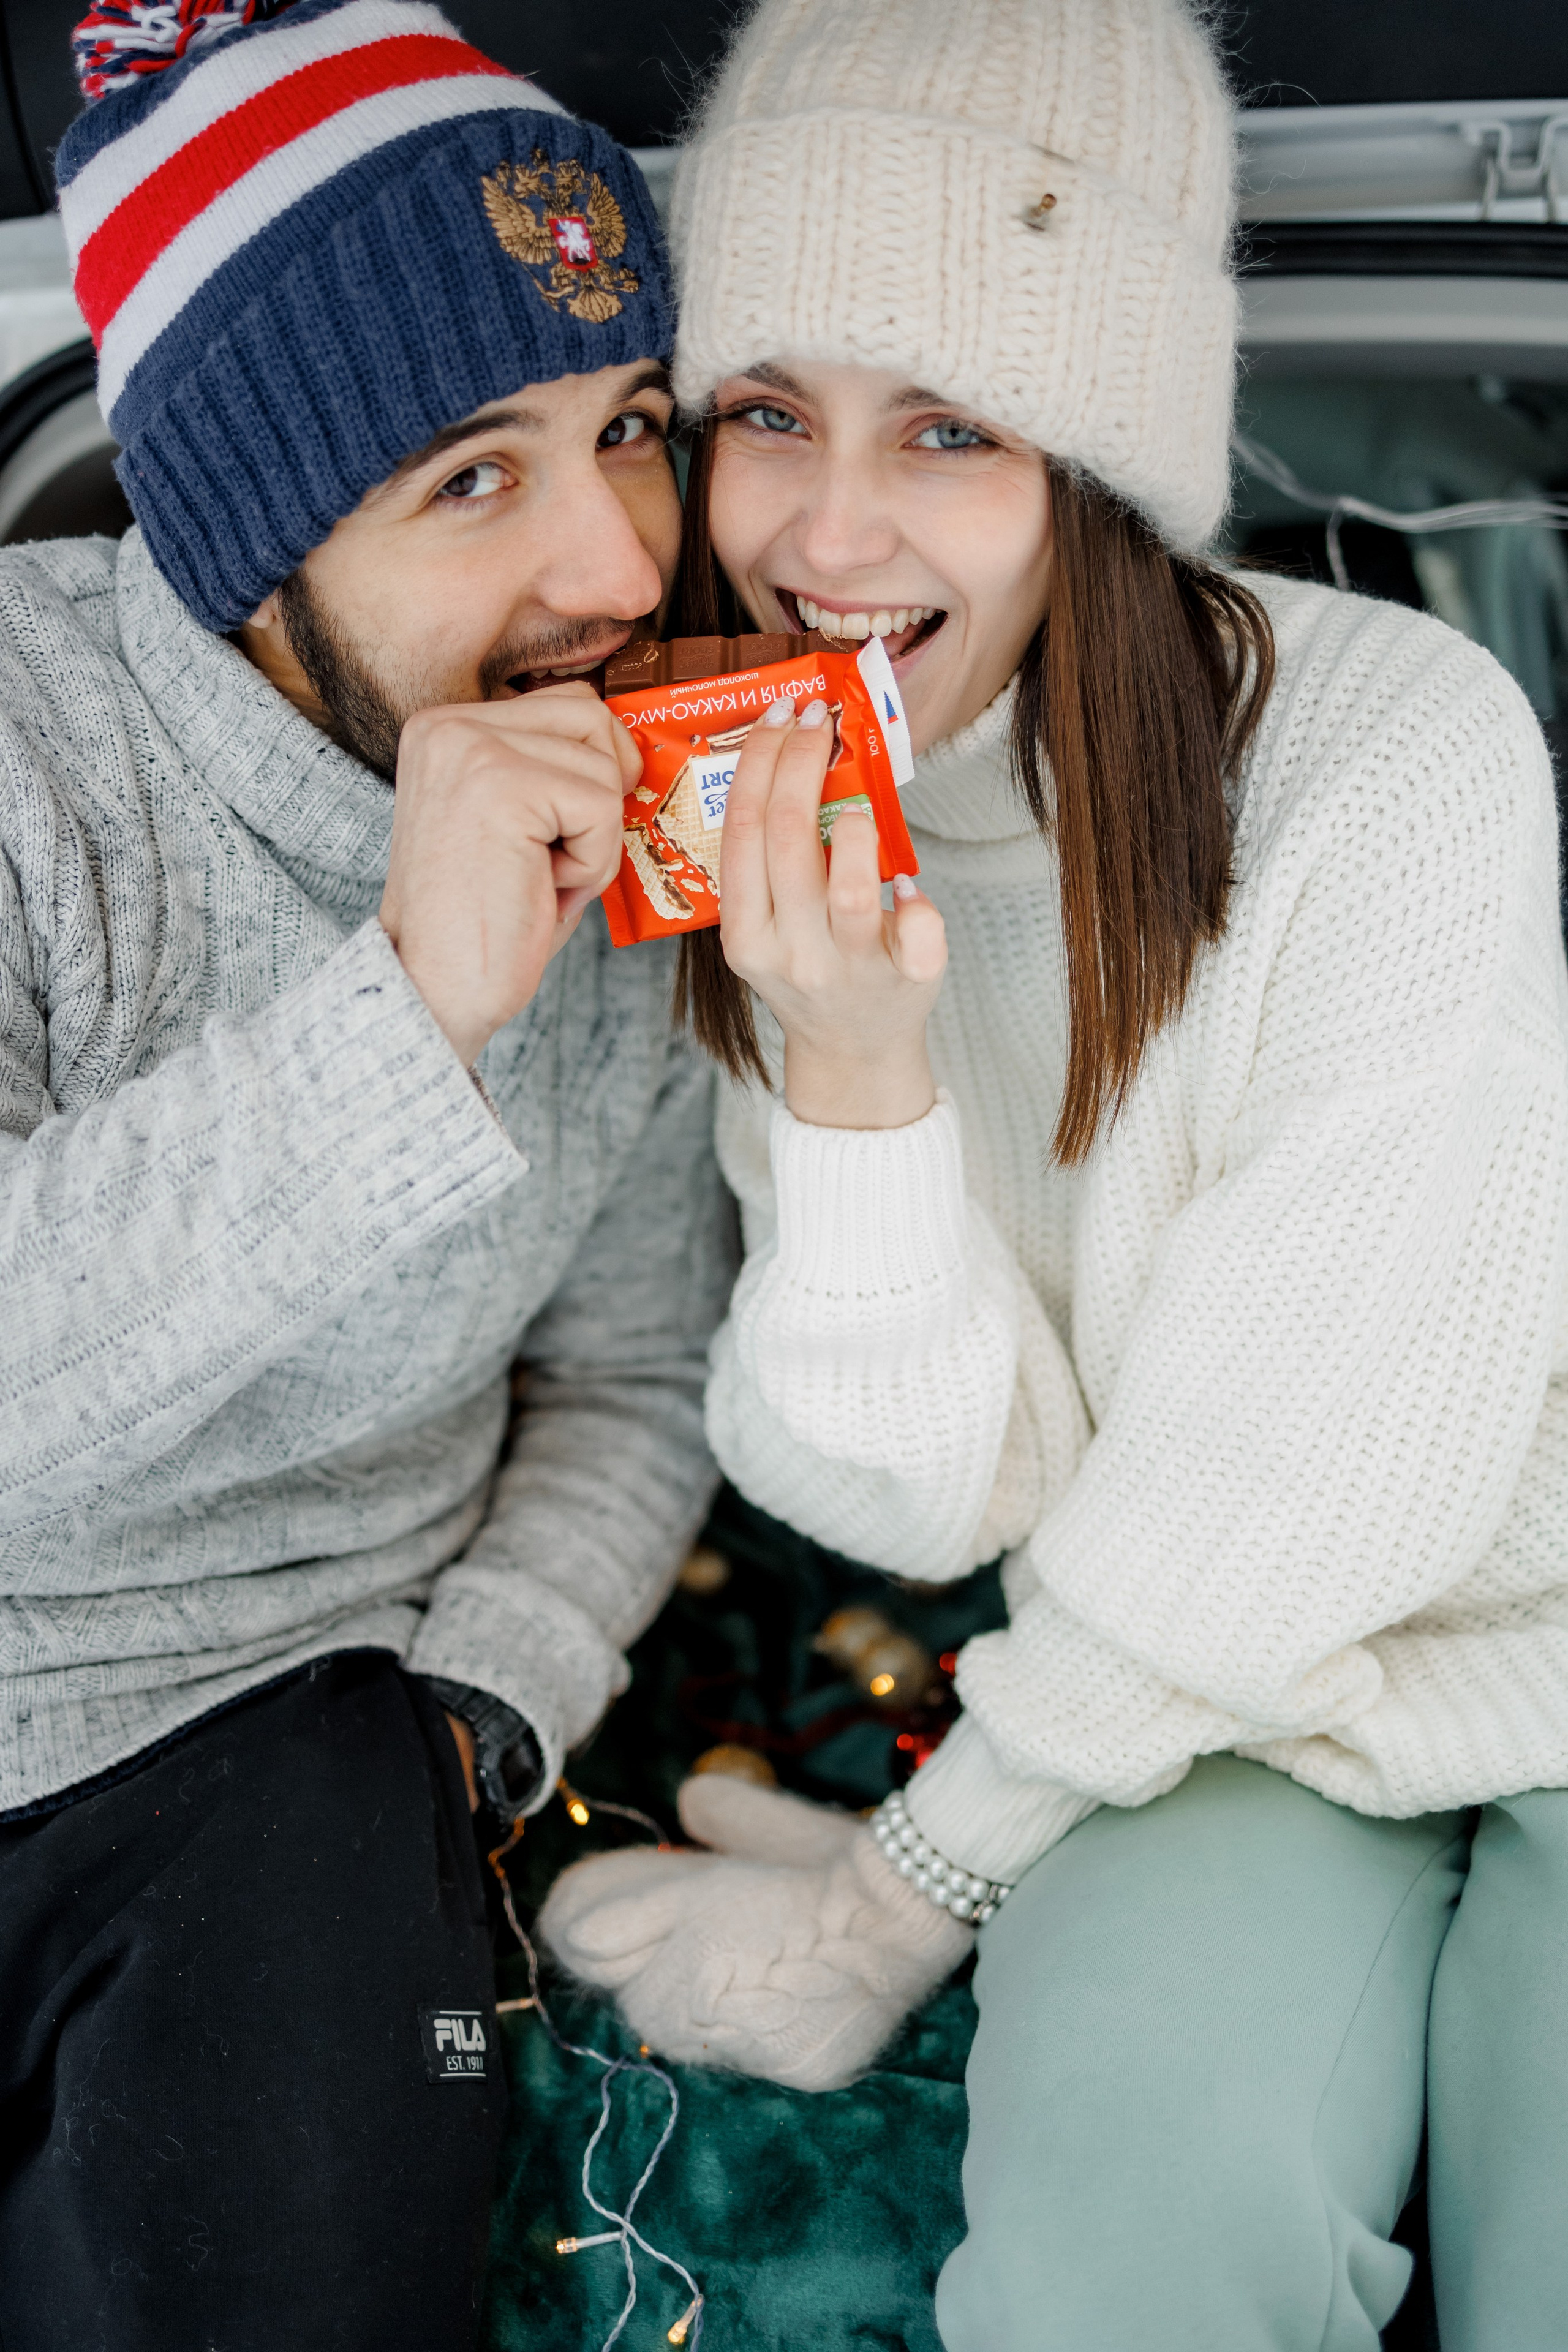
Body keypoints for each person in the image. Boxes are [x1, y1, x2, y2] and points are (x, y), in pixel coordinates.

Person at [540, 2, 1568, 2347]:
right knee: (1119, 2284)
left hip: (1505, 1634)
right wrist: (860, 1078)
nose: (828, 531)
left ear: (1089, 466)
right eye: (768, 413)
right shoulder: (763, 808)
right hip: (1179, 1711)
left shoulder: (1393, 752)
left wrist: (904, 1894)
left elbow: (1322, 1476)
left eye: (951, 430)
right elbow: (911, 1501)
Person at [0, 4, 733, 2345]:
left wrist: (487, 1708)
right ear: (247, 536)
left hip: (307, 1739)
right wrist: (408, 1012)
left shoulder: (632, 823)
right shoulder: (27, 758)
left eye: (631, 432)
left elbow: (635, 1378)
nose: (622, 565)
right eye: (472, 478)